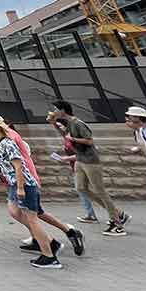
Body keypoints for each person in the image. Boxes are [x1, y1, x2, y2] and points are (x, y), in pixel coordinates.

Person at [0, 113, 84, 256]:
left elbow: (20, 162)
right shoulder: (2, 137)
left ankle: (49, 244)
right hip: (17, 181)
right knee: (30, 213)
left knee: (27, 214)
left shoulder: (10, 137)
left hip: (23, 181)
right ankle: (63, 234)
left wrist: (21, 185)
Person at [0, 117, 62, 269]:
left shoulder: (7, 143)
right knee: (21, 214)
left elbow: (18, 166)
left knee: (33, 220)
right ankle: (48, 247)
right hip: (18, 184)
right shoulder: (3, 142)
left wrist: (20, 188)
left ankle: (49, 256)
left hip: (25, 185)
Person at [50, 101, 128, 236]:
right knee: (81, 188)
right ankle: (118, 213)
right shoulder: (69, 124)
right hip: (80, 160)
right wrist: (53, 124)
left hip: (91, 161)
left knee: (100, 190)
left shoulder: (78, 123)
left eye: (56, 109)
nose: (54, 111)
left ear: (63, 110)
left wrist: (72, 137)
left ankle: (117, 223)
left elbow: (89, 140)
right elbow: (67, 138)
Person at [49, 118, 98, 223]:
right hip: (76, 166)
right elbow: (60, 130)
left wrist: (66, 158)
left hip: (82, 165)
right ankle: (91, 214)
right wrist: (54, 123)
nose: (60, 128)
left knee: (83, 189)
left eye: (61, 125)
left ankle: (94, 214)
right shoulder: (67, 137)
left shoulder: (74, 138)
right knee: (82, 189)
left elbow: (81, 154)